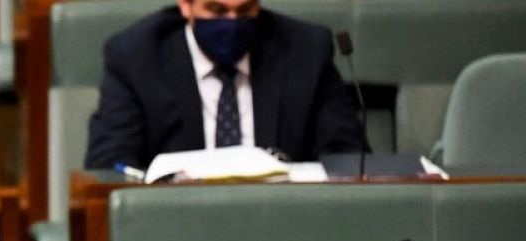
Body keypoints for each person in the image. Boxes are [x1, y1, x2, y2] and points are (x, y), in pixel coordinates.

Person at [83, 0, 366, 170]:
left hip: (282, 219)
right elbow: (109, 163)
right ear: (185, 5)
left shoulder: (306, 50)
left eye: (244, 10)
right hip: (177, 223)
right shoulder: (137, 56)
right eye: (216, 10)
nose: (232, 22)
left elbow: (348, 156)